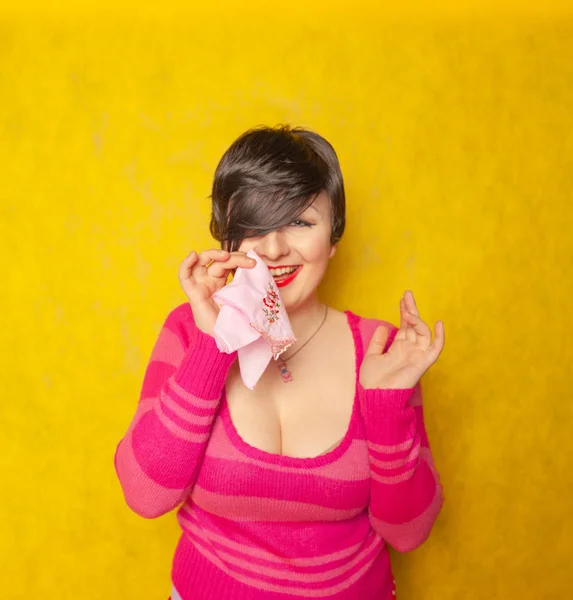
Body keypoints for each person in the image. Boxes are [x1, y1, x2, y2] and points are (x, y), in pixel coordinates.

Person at [114, 125, 445, 600]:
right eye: (253, 224)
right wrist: (214, 343)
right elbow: (145, 495)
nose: (272, 249)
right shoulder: (191, 330)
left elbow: (409, 532)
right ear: (226, 239)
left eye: (300, 222)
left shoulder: (381, 352)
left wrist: (386, 405)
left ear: (334, 236)